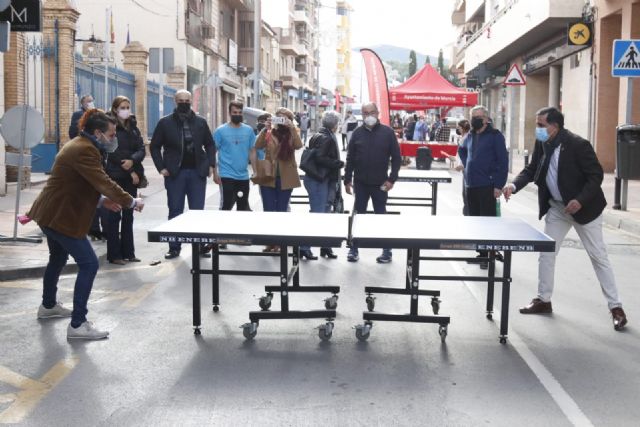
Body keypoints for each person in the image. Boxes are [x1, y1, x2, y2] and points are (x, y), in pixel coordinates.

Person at [503, 107, 628, 331]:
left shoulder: (578, 145)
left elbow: (595, 175)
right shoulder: (542, 142)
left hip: (585, 209)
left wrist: (579, 200)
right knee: (547, 252)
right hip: (558, 209)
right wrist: (513, 185)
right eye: (537, 124)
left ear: (555, 126)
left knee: (598, 256)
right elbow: (532, 169)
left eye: (541, 125)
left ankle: (616, 308)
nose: (538, 129)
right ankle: (543, 300)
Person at [28, 109, 144, 340]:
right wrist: (130, 201)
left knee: (58, 259)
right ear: (98, 132)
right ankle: (78, 325)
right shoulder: (85, 150)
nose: (114, 139)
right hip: (62, 217)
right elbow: (102, 181)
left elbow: (78, 183)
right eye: (111, 135)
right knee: (89, 264)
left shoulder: (82, 145)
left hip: (51, 212)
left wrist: (102, 201)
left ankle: (49, 306)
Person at [150, 89, 219, 260]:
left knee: (198, 211)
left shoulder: (201, 122)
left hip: (197, 173)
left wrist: (211, 164)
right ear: (175, 101)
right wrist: (161, 168)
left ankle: (201, 245)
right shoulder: (165, 123)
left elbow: (210, 144)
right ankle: (174, 247)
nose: (184, 103)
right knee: (175, 211)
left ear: (191, 102)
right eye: (180, 100)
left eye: (187, 100)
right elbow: (154, 146)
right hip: (175, 174)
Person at [344, 102, 401, 263]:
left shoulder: (388, 133)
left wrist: (392, 179)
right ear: (362, 115)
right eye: (365, 113)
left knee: (381, 217)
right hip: (360, 184)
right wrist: (347, 180)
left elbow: (396, 158)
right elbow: (350, 159)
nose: (369, 116)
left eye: (372, 112)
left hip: (380, 184)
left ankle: (387, 251)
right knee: (358, 217)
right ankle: (353, 250)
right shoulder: (357, 133)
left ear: (378, 112)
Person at [458, 105, 508, 269]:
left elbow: (503, 162)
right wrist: (467, 166)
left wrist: (498, 185)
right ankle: (481, 254)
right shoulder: (470, 135)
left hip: (488, 185)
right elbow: (462, 150)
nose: (475, 120)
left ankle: (489, 255)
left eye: (479, 117)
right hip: (471, 184)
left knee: (487, 222)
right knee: (474, 220)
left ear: (486, 119)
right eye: (473, 117)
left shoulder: (495, 136)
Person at [104, 96, 146, 265]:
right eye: (122, 107)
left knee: (129, 215)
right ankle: (114, 255)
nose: (126, 110)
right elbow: (113, 152)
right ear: (115, 109)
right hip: (116, 175)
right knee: (114, 215)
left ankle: (129, 252)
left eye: (128, 107)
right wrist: (130, 169)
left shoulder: (133, 127)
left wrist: (133, 162)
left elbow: (141, 149)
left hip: (132, 176)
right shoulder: (110, 127)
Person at [255, 107, 303, 252]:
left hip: (286, 176)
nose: (281, 120)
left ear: (289, 119)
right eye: (278, 117)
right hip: (268, 175)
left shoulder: (292, 132)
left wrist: (292, 128)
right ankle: (270, 242)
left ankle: (280, 243)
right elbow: (258, 145)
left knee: (281, 211)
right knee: (269, 210)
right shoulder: (269, 132)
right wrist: (266, 129)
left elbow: (298, 145)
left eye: (284, 118)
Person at [299, 110, 345, 260]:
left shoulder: (320, 134)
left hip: (319, 180)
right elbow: (320, 158)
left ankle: (325, 246)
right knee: (318, 216)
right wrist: (339, 163)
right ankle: (304, 247)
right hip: (319, 181)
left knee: (324, 214)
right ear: (335, 125)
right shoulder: (327, 138)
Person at [214, 100, 257, 212]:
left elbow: (252, 151)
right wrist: (215, 173)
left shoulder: (248, 130)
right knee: (226, 207)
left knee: (242, 207)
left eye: (239, 112)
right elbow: (213, 152)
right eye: (235, 112)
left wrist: (255, 172)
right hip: (226, 175)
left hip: (243, 176)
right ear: (229, 113)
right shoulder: (220, 131)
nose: (237, 115)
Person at [448, 119, 471, 215]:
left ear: (462, 128)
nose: (457, 129)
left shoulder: (467, 139)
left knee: (467, 196)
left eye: (458, 127)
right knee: (465, 196)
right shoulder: (464, 138)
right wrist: (455, 159)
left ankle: (468, 216)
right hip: (465, 171)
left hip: (468, 171)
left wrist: (462, 165)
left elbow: (469, 155)